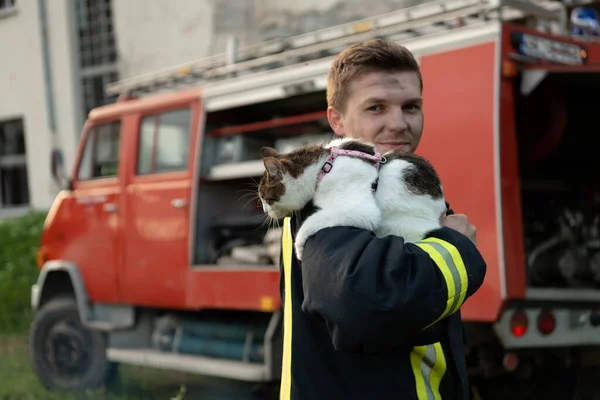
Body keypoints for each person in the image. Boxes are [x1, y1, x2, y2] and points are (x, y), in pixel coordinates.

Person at [277, 38, 487, 400]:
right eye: (376, 108)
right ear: (337, 120)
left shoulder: (387, 182)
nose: (399, 123)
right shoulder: (330, 189)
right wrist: (457, 248)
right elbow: (362, 305)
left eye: (411, 106)